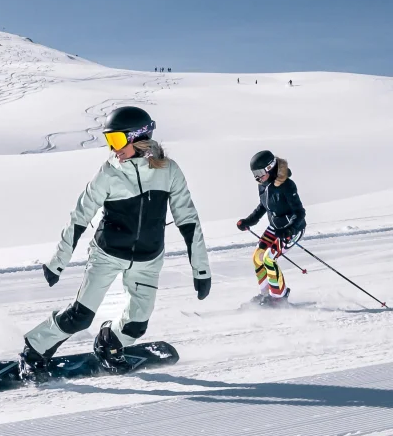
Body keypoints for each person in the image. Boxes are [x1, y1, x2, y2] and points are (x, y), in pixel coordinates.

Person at [18, 107, 211, 379]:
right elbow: (80, 216)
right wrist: (58, 261)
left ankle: (110, 342)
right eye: (109, 142)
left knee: (137, 324)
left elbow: (189, 220)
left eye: (117, 141)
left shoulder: (169, 171)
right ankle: (34, 350)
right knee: (80, 316)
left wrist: (201, 270)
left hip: (148, 258)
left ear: (139, 138)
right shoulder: (109, 173)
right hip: (107, 254)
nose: (113, 149)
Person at [237, 151, 306, 304]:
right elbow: (263, 206)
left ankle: (278, 298)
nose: (257, 177)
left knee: (269, 259)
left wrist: (290, 229)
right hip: (275, 227)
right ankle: (265, 294)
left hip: (292, 229)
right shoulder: (263, 185)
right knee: (257, 257)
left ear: (270, 167)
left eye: (260, 172)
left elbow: (300, 212)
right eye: (254, 173)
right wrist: (248, 221)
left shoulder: (286, 185)